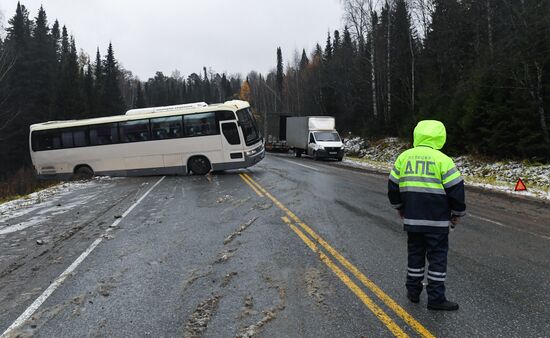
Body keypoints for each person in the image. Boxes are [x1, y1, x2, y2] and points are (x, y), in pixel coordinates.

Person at [387, 120, 466, 311]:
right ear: (441, 137)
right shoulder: (443, 160)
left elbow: (392, 186)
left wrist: (399, 207)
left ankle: (413, 292)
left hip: (412, 220)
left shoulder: (404, 158)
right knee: (437, 259)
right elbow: (456, 190)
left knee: (415, 256)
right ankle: (436, 298)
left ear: (417, 135)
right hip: (437, 222)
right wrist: (457, 213)